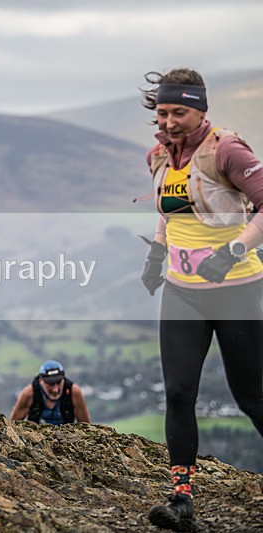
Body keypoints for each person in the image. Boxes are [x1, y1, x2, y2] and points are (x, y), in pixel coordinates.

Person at [138, 68, 263, 531]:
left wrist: (232, 251)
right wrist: (156, 257)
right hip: (182, 294)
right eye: (163, 111)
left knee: (252, 397)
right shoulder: (157, 156)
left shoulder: (226, 150)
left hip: (236, 291)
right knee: (177, 393)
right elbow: (170, 215)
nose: (169, 121)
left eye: (180, 112)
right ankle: (182, 500)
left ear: (201, 110)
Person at [9, 360, 90, 425]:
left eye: (59, 383)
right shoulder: (29, 393)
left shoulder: (74, 392)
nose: (55, 389)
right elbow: (12, 425)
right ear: (41, 381)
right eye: (50, 384)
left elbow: (86, 426)